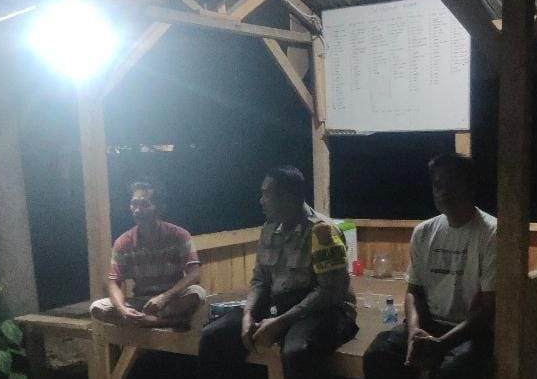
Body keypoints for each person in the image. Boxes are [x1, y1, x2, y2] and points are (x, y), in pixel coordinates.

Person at [198, 166, 358, 379]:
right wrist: (248, 314)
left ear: (289, 198)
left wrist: (281, 321)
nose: (261, 201)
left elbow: (330, 293)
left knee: (296, 351)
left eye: (267, 194)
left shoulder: (321, 231)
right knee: (213, 335)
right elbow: (260, 280)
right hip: (281, 305)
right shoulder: (269, 229)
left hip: (325, 311)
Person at [363, 153, 496, 379]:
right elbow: (414, 292)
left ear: (470, 187)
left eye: (452, 183)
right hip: (430, 323)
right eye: (437, 184)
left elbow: (487, 309)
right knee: (378, 355)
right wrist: (414, 331)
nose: (443, 191)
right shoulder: (424, 232)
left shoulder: (491, 233)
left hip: (471, 331)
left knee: (450, 372)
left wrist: (441, 344)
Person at [90, 178, 206, 327]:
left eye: (144, 204)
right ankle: (159, 322)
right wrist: (123, 310)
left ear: (159, 208)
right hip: (142, 302)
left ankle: (148, 321)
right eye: (134, 204)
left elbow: (194, 274)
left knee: (197, 293)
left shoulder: (178, 235)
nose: (137, 210)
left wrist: (164, 297)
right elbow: (113, 282)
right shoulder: (123, 242)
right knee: (97, 307)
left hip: (172, 299)